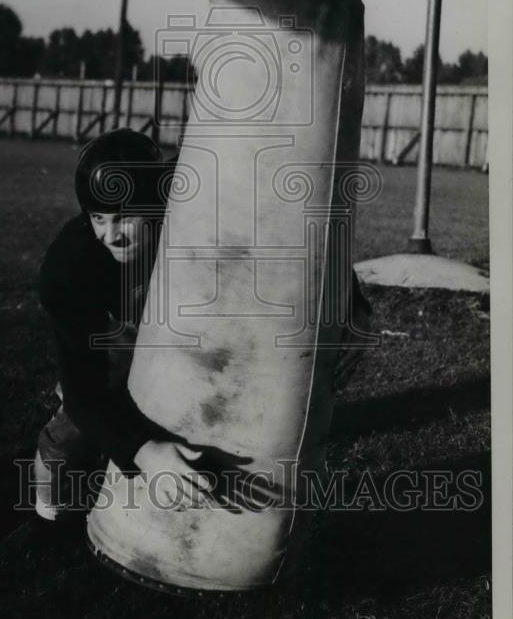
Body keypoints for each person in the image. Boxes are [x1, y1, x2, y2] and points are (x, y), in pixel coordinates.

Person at [34, 127, 372, 522]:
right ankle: (47, 511)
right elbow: (83, 389)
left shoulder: (198, 197)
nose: (111, 235)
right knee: (73, 432)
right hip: (116, 335)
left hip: (186, 316)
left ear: (158, 202)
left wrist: (354, 304)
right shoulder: (70, 267)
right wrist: (145, 451)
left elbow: (295, 227)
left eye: (124, 217)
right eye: (98, 218)